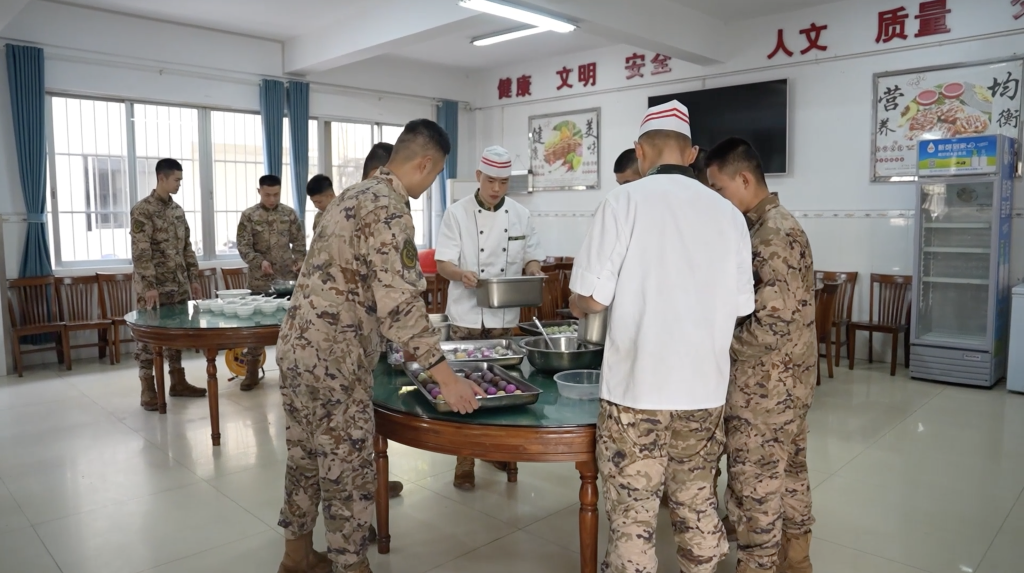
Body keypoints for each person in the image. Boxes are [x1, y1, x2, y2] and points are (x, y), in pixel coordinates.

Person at [275, 119, 482, 573]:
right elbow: (400, 303)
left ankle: (297, 556)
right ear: (424, 164)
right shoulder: (389, 208)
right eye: (436, 173)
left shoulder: (350, 196)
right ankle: (351, 565)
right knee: (347, 465)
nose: (431, 184)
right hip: (335, 358)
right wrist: (446, 378)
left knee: (305, 455)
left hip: (297, 348)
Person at [568, 101, 755, 573]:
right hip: (704, 393)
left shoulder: (621, 203)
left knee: (634, 516)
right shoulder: (729, 214)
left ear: (640, 151)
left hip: (637, 393)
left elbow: (591, 299)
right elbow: (742, 307)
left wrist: (577, 301)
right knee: (697, 500)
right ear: (691, 154)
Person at [706, 137, 817, 573]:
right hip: (790, 384)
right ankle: (796, 558)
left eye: (719, 188)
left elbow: (772, 324)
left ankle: (761, 564)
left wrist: (718, 346)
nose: (717, 199)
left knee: (755, 488)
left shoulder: (770, 234)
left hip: (764, 391)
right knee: (790, 475)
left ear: (744, 179)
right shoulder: (774, 225)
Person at [434, 145, 544, 490]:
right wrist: (460, 273)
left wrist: (533, 270)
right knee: (464, 389)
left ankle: (497, 450)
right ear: (479, 176)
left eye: (504, 182)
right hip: (466, 316)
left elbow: (531, 256)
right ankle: (464, 459)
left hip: (504, 318)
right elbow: (443, 263)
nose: (497, 188)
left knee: (505, 390)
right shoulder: (457, 213)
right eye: (491, 180)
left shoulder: (521, 215)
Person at [130, 158, 208, 411]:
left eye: (180, 180)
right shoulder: (142, 210)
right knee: (148, 336)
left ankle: (177, 381)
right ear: (161, 178)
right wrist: (149, 285)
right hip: (153, 288)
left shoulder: (177, 211)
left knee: (175, 333)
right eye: (176, 180)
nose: (179, 184)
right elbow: (141, 252)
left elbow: (187, 248)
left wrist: (193, 279)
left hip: (178, 285)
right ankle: (147, 387)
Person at [235, 174, 306, 391]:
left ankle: (293, 372)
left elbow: (299, 242)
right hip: (260, 282)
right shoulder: (249, 216)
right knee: (256, 327)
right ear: (259, 192)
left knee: (291, 326)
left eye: (276, 194)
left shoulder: (289, 214)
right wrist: (259, 262)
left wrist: (299, 261)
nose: (272, 199)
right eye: (267, 195)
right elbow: (244, 246)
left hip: (287, 281)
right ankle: (251, 370)